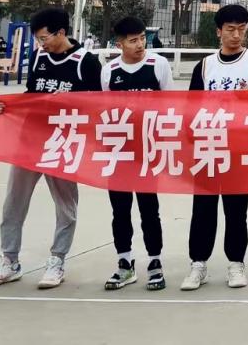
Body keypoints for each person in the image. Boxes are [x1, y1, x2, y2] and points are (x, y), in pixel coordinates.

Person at [0, 7, 101, 291]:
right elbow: (32, 95)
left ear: (61, 32)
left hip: (63, 143)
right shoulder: (39, 57)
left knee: (65, 206)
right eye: (37, 39)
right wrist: (10, 106)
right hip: (31, 140)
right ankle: (9, 261)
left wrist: (70, 101)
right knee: (13, 202)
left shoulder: (86, 62)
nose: (41, 43)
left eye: (44, 38)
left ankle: (57, 261)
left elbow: (98, 105)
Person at [182, 3, 248, 291]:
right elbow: (191, 108)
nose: (236, 35)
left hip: (239, 146)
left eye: (241, 29)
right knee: (203, 208)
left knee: (236, 210)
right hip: (208, 145)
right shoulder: (205, 65)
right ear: (218, 32)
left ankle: (236, 262)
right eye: (231, 29)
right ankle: (198, 263)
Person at [101, 16, 175, 291]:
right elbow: (104, 110)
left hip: (148, 151)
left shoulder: (159, 65)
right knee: (120, 211)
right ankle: (125, 263)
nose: (140, 44)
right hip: (119, 152)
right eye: (133, 40)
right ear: (119, 44)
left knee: (149, 210)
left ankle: (155, 263)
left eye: (143, 38)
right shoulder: (109, 71)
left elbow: (171, 106)